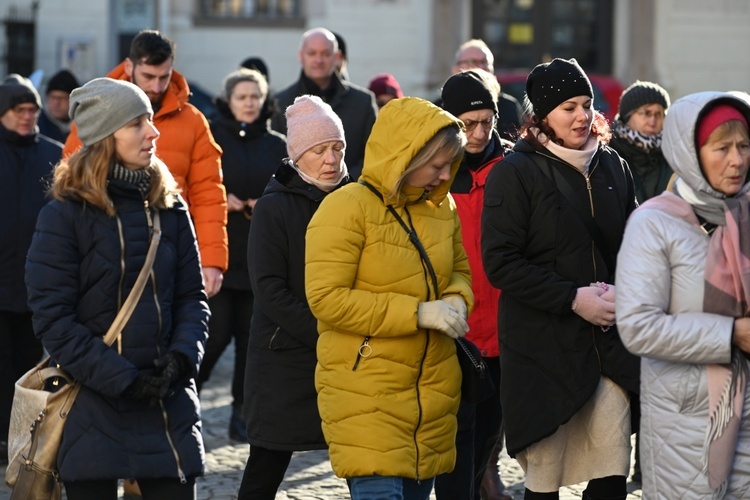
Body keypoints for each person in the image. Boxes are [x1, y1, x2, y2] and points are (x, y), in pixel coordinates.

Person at [25, 77, 209, 499]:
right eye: (137, 123)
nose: (154, 131)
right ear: (107, 136)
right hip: (91, 406)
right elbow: (54, 319)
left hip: (168, 406)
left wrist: (182, 359)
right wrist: (123, 379)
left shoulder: (170, 206)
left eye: (150, 119)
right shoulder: (64, 214)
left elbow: (192, 299)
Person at [481, 58, 639, 500]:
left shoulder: (613, 166)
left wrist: (621, 292)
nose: (582, 115)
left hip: (606, 346)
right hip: (542, 349)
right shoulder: (515, 172)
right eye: (569, 107)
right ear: (543, 115)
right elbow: (501, 262)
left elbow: (635, 245)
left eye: (587, 104)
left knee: (611, 475)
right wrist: (572, 298)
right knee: (545, 480)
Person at [305, 96, 474, 500]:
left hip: (432, 397)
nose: (445, 175)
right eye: (437, 165)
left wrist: (456, 301)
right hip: (366, 395)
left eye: (451, 165)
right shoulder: (346, 207)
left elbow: (460, 273)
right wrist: (416, 313)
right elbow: (326, 298)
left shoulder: (442, 207)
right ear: (408, 156)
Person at [616, 91, 750, 498]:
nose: (737, 160)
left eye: (744, 146)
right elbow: (638, 327)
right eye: (722, 147)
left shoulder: (746, 213)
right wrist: (730, 335)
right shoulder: (654, 223)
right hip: (686, 423)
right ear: (691, 152)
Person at [238, 94, 348, 499]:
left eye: (337, 148)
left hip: (347, 355)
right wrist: (324, 332)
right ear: (298, 155)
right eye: (320, 150)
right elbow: (269, 289)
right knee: (267, 463)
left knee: (364, 460)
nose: (331, 159)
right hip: (284, 355)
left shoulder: (355, 199)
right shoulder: (274, 207)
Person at [63, 29, 228, 298]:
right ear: (129, 67)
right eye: (148, 77)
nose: (156, 86)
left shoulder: (193, 121)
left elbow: (208, 191)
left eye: (164, 77)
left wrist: (211, 261)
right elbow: (74, 176)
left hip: (170, 244)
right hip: (105, 244)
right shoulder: (98, 111)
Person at [434, 69, 513, 500]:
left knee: (487, 438)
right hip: (454, 329)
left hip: (503, 328)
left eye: (488, 121)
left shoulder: (514, 167)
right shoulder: (434, 173)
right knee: (454, 441)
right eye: (469, 123)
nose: (480, 132)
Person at [196, 68, 286, 441]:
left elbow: (286, 188)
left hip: (259, 257)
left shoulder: (278, 143)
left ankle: (242, 416)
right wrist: (225, 200)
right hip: (220, 254)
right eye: (242, 96)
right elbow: (201, 183)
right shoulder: (212, 137)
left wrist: (264, 202)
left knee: (252, 342)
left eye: (255, 96)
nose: (250, 103)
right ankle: (183, 402)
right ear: (229, 101)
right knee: (212, 338)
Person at [0, 73, 62, 465]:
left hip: (36, 285)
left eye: (31, 110)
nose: (26, 117)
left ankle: (21, 439)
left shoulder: (53, 154)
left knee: (29, 369)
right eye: (18, 110)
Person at [270, 27, 377, 180]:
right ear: (301, 56)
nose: (318, 60)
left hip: (350, 196)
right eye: (312, 53)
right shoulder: (280, 103)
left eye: (325, 54)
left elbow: (372, 156)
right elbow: (276, 158)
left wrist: (344, 184)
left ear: (337, 56)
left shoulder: (363, 102)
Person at [609, 80, 673, 203]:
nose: (652, 121)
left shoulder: (672, 155)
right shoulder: (608, 153)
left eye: (658, 114)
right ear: (627, 116)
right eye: (646, 113)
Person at [451, 39, 524, 141]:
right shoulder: (440, 108)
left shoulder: (509, 106)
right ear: (455, 69)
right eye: (473, 62)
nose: (480, 67)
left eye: (484, 62)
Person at [37, 68, 80, 143]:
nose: (56, 103)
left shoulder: (84, 125)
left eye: (62, 98)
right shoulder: (36, 126)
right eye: (52, 97)